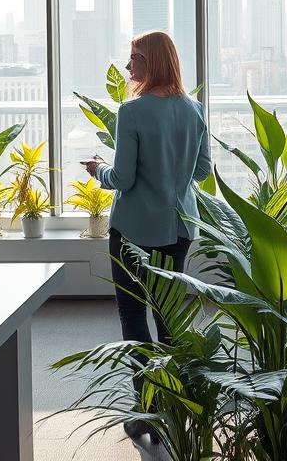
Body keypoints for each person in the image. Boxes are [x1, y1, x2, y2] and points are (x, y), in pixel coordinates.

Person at [83, 31, 212, 347]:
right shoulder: (194, 109)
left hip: (134, 231)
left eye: (134, 57)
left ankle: (146, 394)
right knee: (168, 315)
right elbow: (202, 170)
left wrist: (97, 169)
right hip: (180, 227)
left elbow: (123, 179)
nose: (127, 66)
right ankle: (170, 393)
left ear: (152, 61)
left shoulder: (132, 111)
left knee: (132, 312)